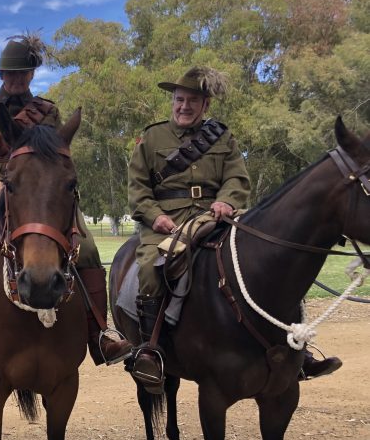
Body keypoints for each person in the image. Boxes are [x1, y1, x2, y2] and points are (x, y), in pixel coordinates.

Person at [0, 33, 132, 379]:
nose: (16, 79)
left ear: (32, 74)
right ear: (1, 76)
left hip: (38, 195)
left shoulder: (47, 111)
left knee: (90, 249)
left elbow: (56, 155)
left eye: (23, 72)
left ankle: (100, 334)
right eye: (10, 73)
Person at [128, 66, 341, 392]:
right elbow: (138, 189)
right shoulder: (152, 138)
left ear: (205, 106)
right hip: (168, 221)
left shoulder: (223, 137)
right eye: (179, 99)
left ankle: (296, 348)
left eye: (192, 101)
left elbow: (237, 178)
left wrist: (227, 200)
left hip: (217, 217)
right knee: (149, 267)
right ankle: (150, 349)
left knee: (271, 263)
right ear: (172, 100)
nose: (184, 106)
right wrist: (154, 215)